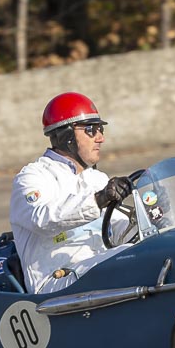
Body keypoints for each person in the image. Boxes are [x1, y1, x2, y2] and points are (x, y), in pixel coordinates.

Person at [9, 92, 134, 294]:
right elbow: (42, 219)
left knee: (153, 253)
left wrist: (151, 216)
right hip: (54, 282)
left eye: (100, 129)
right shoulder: (32, 177)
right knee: (132, 260)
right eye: (91, 130)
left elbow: (119, 231)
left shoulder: (96, 178)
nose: (100, 138)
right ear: (67, 136)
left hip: (96, 271)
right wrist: (98, 199)